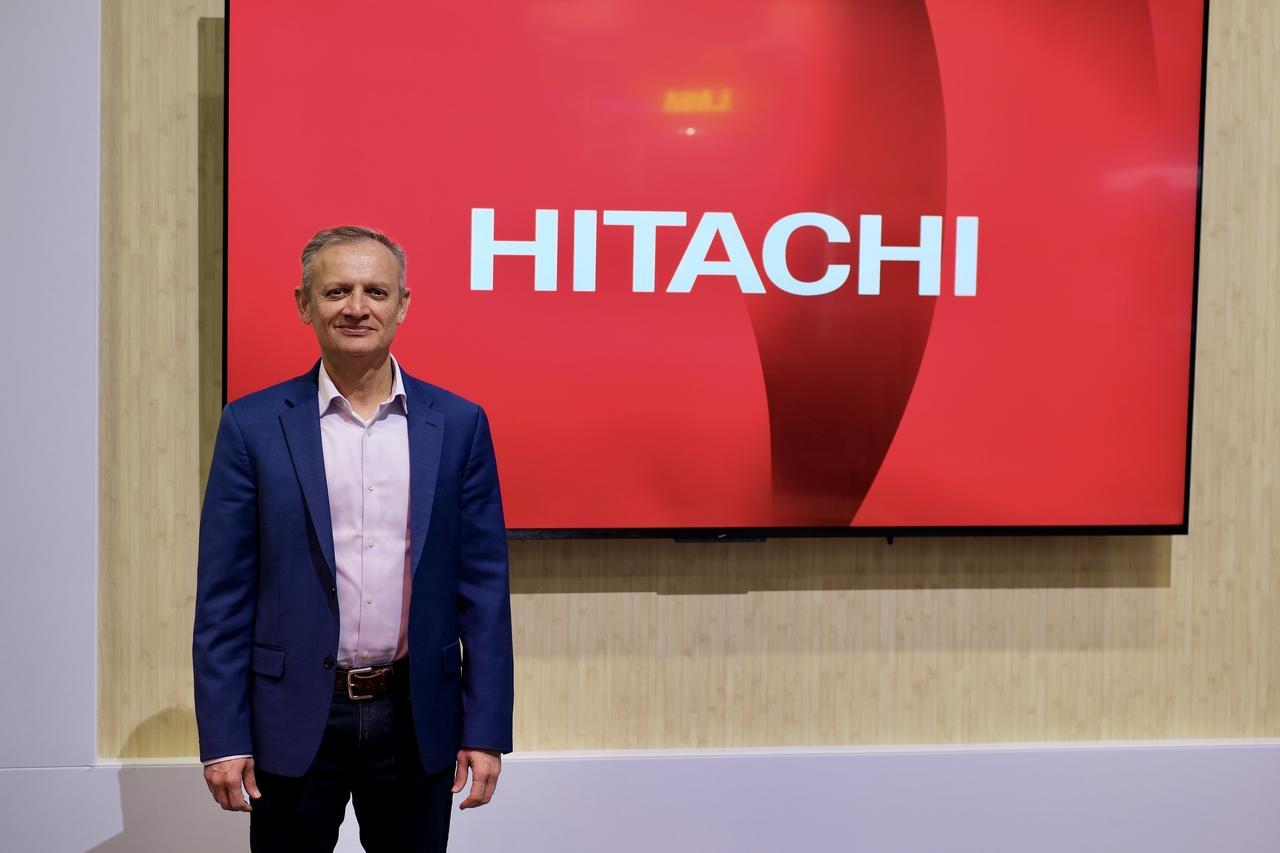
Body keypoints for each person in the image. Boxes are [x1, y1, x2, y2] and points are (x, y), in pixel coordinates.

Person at [193, 225, 513, 852]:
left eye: (376, 291)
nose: (357, 307)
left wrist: (485, 727)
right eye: (336, 291)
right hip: (292, 718)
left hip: (416, 716)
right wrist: (224, 736)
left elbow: (484, 590)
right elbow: (224, 596)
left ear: (403, 304)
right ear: (304, 304)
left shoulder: (459, 424)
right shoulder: (251, 426)